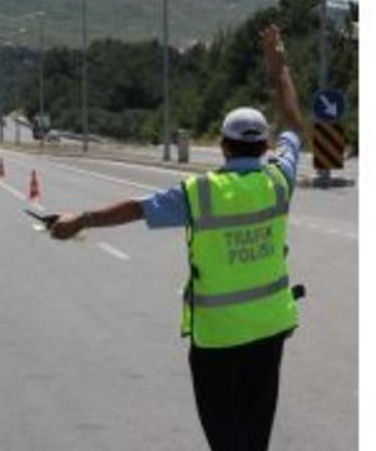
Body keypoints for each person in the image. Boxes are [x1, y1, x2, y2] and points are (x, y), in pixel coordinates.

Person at [49, 24, 305, 451]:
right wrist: (279, 67)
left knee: (226, 437)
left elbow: (136, 208)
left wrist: (81, 220)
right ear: (264, 147)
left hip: (219, 339)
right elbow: (294, 124)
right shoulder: (280, 179)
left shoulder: (200, 193)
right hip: (271, 329)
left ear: (222, 146)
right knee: (256, 436)